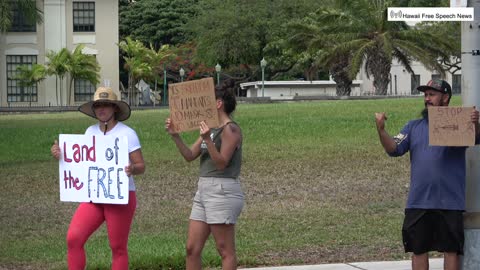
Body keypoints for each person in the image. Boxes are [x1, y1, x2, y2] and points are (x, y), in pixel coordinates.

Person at [375, 79, 480, 270]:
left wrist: (475, 124)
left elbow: (476, 138)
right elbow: (394, 149)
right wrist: (381, 130)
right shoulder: (412, 126)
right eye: (425, 95)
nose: (427, 99)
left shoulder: (459, 124)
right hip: (419, 201)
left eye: (432, 95)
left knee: (451, 251)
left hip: (450, 202)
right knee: (419, 250)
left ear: (445, 98)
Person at [51, 86, 145, 270]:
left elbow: (141, 166)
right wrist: (61, 153)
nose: (101, 109)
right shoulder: (90, 132)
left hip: (120, 197)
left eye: (106, 105)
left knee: (117, 247)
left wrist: (132, 168)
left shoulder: (127, 134)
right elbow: (81, 160)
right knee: (74, 238)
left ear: (115, 108)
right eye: (97, 106)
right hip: (94, 196)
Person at [165, 79, 244, 270]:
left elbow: (222, 163)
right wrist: (176, 136)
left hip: (222, 190)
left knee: (224, 249)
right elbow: (190, 155)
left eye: (209, 100)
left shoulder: (230, 130)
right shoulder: (211, 128)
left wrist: (208, 140)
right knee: (192, 248)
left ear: (218, 103)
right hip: (204, 190)